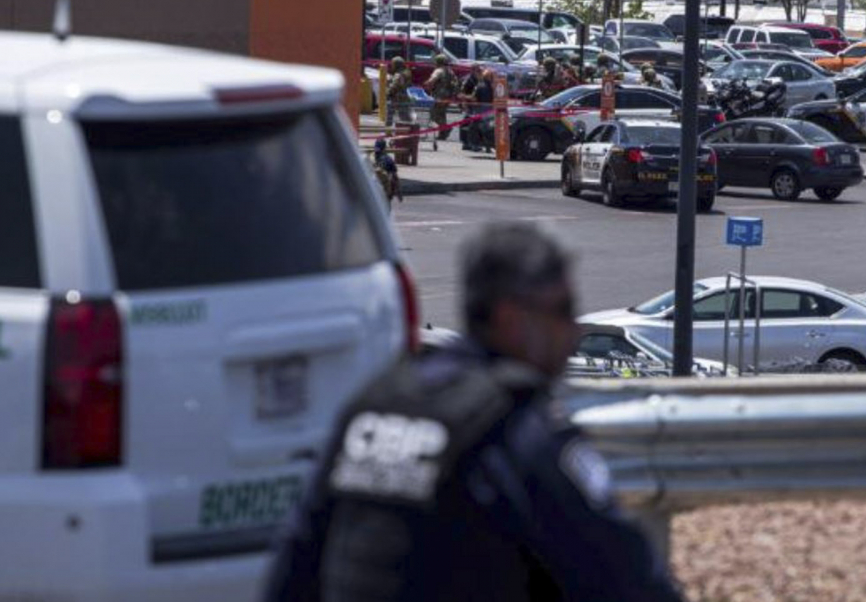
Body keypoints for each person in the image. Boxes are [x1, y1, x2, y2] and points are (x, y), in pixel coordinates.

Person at [264, 222, 686, 602]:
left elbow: (295, 563)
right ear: (510, 318)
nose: (574, 329)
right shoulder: (520, 434)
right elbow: (630, 580)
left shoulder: (375, 406)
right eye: (561, 309)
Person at [424, 54, 459, 140]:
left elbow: (432, 80)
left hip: (439, 95)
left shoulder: (438, 71)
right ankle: (443, 133)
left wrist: (427, 85)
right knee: (442, 114)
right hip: (448, 95)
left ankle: (445, 128)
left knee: (434, 114)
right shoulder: (450, 71)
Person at [460, 65, 484, 152]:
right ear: (473, 71)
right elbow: (462, 94)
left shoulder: (480, 80)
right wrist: (465, 104)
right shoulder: (468, 81)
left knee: (475, 125)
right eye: (478, 71)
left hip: (477, 105)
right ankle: (465, 143)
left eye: (480, 71)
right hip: (469, 105)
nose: (480, 72)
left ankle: (475, 143)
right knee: (467, 124)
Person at [371, 137, 401, 207]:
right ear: (384, 148)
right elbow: (395, 177)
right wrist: (398, 192)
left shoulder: (370, 158)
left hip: (372, 190)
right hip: (385, 191)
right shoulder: (388, 159)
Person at [385, 57, 413, 127]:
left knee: (389, 115)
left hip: (396, 97)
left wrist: (388, 92)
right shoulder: (406, 72)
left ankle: (388, 130)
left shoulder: (398, 74)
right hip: (405, 97)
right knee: (404, 116)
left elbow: (395, 85)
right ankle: (409, 130)